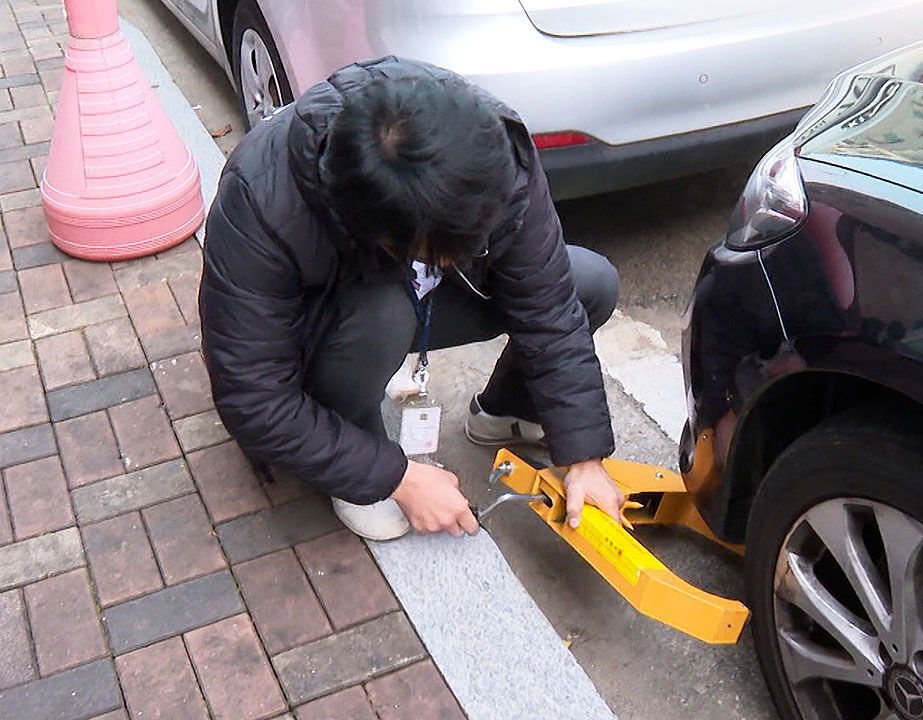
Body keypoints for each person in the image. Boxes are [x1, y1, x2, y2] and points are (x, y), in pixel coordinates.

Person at [198, 57, 624, 541]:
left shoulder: (492, 156)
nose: (446, 262)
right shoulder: (261, 197)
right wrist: (395, 476)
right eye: (434, 252)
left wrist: (583, 455)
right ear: (371, 226)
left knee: (588, 283)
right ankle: (356, 456)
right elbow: (254, 397)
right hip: (336, 327)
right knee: (384, 313)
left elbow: (549, 306)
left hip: (412, 300)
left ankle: (506, 412)